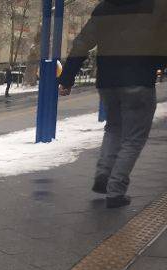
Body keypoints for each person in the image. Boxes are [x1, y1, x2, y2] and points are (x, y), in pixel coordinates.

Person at [59, 0, 167, 209]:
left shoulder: (103, 8)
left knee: (113, 128)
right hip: (138, 80)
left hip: (107, 82)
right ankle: (115, 190)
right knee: (133, 138)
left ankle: (104, 173)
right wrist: (158, 64)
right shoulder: (155, 5)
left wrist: (67, 77)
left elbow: (82, 42)